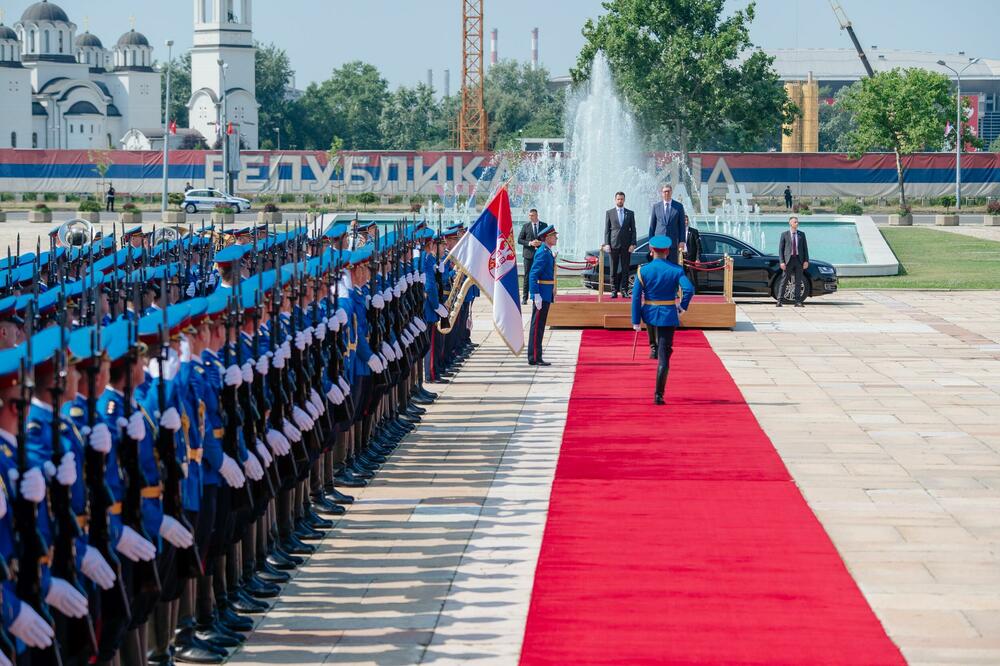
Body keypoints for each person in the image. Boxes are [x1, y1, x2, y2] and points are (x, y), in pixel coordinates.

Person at [631, 236, 694, 405]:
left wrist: (636, 320)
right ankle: (658, 395)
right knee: (664, 356)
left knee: (655, 335)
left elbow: (636, 297)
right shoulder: (676, 270)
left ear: (651, 251)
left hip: (649, 312)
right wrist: (682, 307)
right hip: (668, 314)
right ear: (667, 251)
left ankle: (653, 347)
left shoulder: (643, 270)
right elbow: (689, 290)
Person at [527, 224, 557, 366]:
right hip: (541, 293)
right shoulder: (543, 252)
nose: (556, 238)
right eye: (554, 236)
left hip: (545, 292)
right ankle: (534, 357)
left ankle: (536, 355)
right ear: (547, 237)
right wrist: (535, 294)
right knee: (537, 326)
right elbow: (533, 274)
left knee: (540, 326)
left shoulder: (547, 251)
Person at [603, 192, 636, 298]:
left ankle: (624, 290)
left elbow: (633, 230)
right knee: (613, 269)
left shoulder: (630, 213)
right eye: (618, 199)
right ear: (615, 200)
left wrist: (633, 244)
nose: (620, 201)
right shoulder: (609, 213)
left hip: (626, 246)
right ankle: (613, 290)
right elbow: (607, 230)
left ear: (624, 200)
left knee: (625, 269)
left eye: (621, 199)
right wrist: (607, 244)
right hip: (613, 245)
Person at [777, 215, 809, 307]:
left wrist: (806, 261)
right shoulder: (784, 234)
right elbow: (781, 250)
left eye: (797, 222)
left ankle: (797, 301)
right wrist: (782, 262)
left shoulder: (801, 234)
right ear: (790, 223)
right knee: (784, 281)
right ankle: (779, 301)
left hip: (799, 260)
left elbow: (805, 248)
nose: (797, 223)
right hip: (788, 260)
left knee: (798, 282)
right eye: (795, 222)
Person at [647, 184, 685, 264]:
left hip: (673, 244)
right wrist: (650, 242)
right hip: (658, 244)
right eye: (664, 192)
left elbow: (682, 226)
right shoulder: (656, 207)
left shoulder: (679, 206)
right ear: (662, 193)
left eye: (668, 191)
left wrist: (682, 241)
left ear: (671, 192)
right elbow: (652, 226)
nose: (666, 193)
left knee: (672, 266)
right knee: (659, 266)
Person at [517, 209, 543, 305]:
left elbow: (548, 238)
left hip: (540, 255)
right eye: (530, 215)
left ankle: (539, 296)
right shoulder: (526, 226)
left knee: (541, 275)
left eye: (532, 215)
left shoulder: (544, 225)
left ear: (537, 215)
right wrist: (530, 243)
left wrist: (541, 243)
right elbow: (519, 240)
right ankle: (525, 298)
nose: (531, 217)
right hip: (528, 255)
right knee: (527, 276)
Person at [682, 215, 702, 291]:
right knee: (681, 276)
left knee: (693, 276)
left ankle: (695, 292)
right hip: (681, 257)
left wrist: (697, 258)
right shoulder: (678, 232)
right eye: (684, 220)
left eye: (687, 220)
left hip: (691, 258)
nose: (686, 222)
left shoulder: (694, 232)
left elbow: (698, 247)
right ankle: (682, 292)